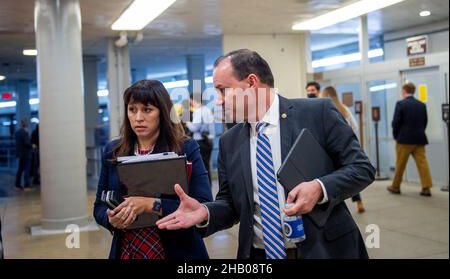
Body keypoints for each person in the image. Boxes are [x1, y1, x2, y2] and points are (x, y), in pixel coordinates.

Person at [157, 49, 375, 259]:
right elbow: (231, 203)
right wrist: (206, 212)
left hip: (325, 249)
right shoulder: (229, 142)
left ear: (251, 83)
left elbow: (361, 168)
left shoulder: (317, 114)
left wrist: (319, 187)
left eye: (223, 90)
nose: (219, 100)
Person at [93, 79, 212, 259]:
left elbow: (202, 204)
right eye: (132, 109)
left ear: (162, 113)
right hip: (128, 247)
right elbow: (99, 207)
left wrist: (151, 204)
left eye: (147, 110)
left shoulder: (185, 148)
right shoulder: (113, 150)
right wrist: (110, 219)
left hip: (176, 248)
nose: (138, 117)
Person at [321, 86, 365, 213]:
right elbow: (355, 127)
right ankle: (359, 202)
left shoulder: (323, 110)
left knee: (331, 179)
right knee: (349, 176)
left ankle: (334, 207)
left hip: (328, 150)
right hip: (344, 149)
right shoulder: (343, 108)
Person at [387, 82, 432, 196]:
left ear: (404, 91)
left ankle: (395, 186)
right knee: (423, 164)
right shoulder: (422, 105)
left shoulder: (401, 104)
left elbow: (396, 123)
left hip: (404, 140)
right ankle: (426, 188)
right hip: (419, 139)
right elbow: (424, 122)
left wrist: (396, 136)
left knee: (400, 164)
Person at [186, 94, 215, 184]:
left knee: (202, 168)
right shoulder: (207, 110)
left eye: (191, 101)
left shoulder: (199, 111)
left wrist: (187, 122)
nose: (190, 103)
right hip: (208, 141)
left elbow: (194, 128)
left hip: (200, 142)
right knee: (207, 166)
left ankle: (205, 186)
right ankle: (208, 186)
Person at [14, 120, 32, 191]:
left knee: (20, 170)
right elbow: (26, 143)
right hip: (26, 154)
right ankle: (26, 186)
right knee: (27, 170)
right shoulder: (25, 133)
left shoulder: (17, 133)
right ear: (26, 124)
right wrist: (32, 145)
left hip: (20, 154)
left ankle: (17, 185)